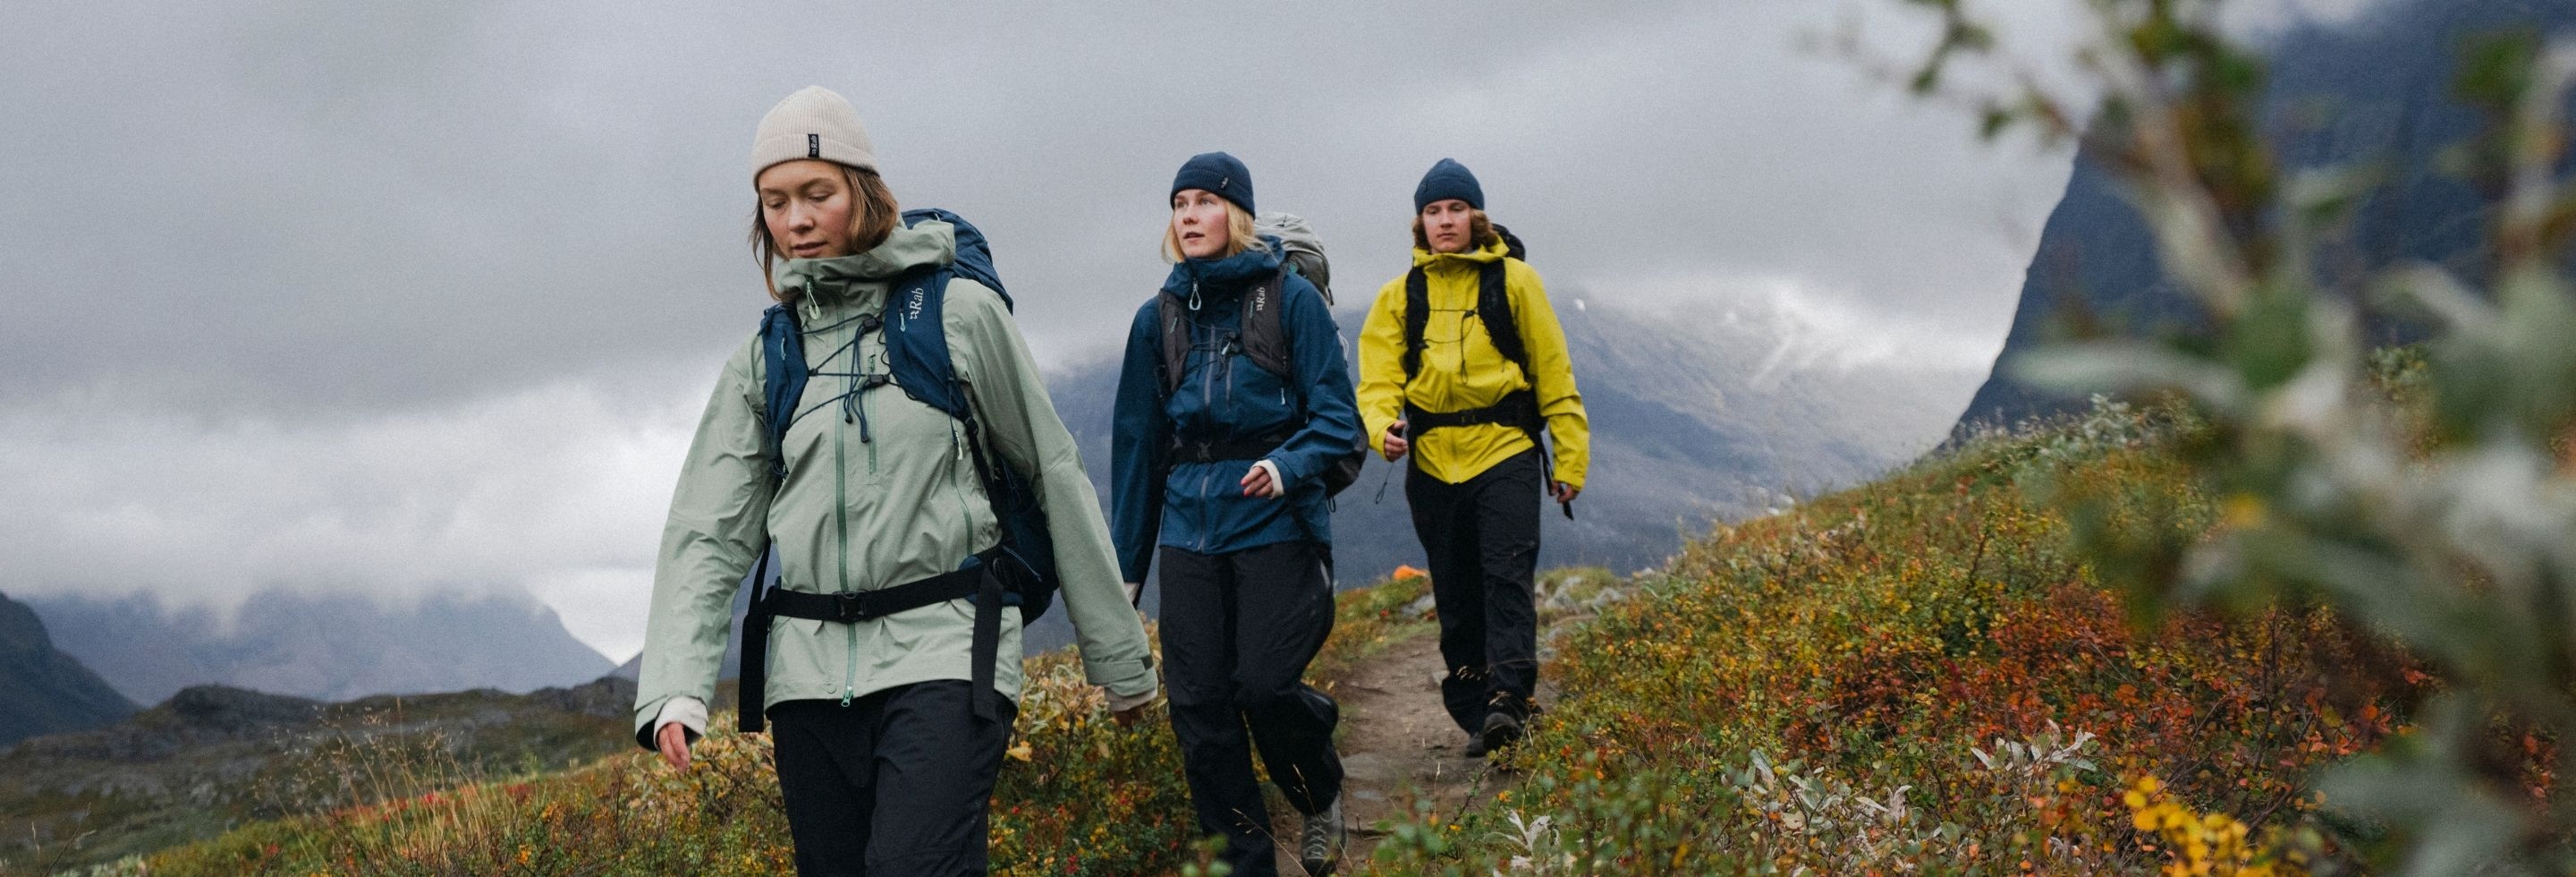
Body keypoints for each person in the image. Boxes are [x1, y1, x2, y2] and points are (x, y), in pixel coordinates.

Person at [630, 85, 1157, 876]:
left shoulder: (959, 314)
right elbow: (708, 527)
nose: (796, 220)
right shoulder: (765, 358)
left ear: (864, 192)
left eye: (818, 193)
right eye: (776, 202)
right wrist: (676, 686)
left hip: (946, 653)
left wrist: (1117, 658)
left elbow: (1053, 473)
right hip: (807, 683)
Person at [1111, 151, 1360, 877]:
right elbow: (1138, 448)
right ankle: (1246, 864)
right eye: (1179, 203)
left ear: (1239, 215)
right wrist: (1126, 570)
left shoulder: (1292, 302)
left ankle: (1318, 791)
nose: (1189, 216)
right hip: (1189, 533)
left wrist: (1287, 466)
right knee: (1199, 710)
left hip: (1277, 525)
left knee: (1265, 686)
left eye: (1205, 202)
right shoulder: (1156, 319)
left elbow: (1338, 421)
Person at [1355, 158, 1589, 759]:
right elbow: (1376, 382)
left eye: (1456, 209)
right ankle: (1475, 711)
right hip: (1433, 462)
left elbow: (1554, 373)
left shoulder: (1516, 283)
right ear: (1420, 223)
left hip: (1506, 451)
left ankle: (1510, 699)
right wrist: (1382, 429)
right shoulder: (1398, 296)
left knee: (1505, 578)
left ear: (1476, 216)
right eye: (1433, 211)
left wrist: (1570, 459)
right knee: (1456, 595)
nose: (1445, 221)